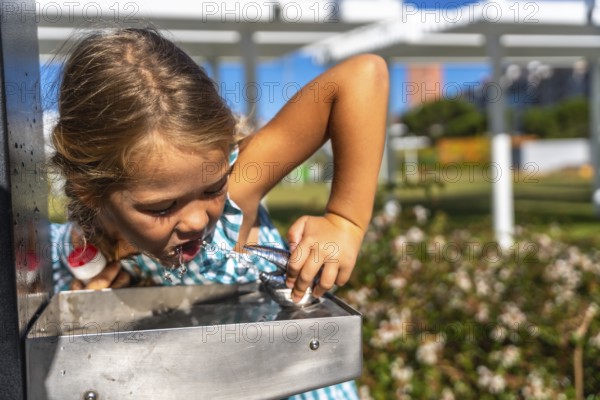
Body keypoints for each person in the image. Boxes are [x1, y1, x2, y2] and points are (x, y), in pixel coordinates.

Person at [49, 27, 388, 399]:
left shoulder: (237, 192)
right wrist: (104, 307)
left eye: (213, 188)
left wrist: (345, 220)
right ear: (90, 191)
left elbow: (362, 77)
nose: (198, 220)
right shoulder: (82, 247)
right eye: (162, 207)